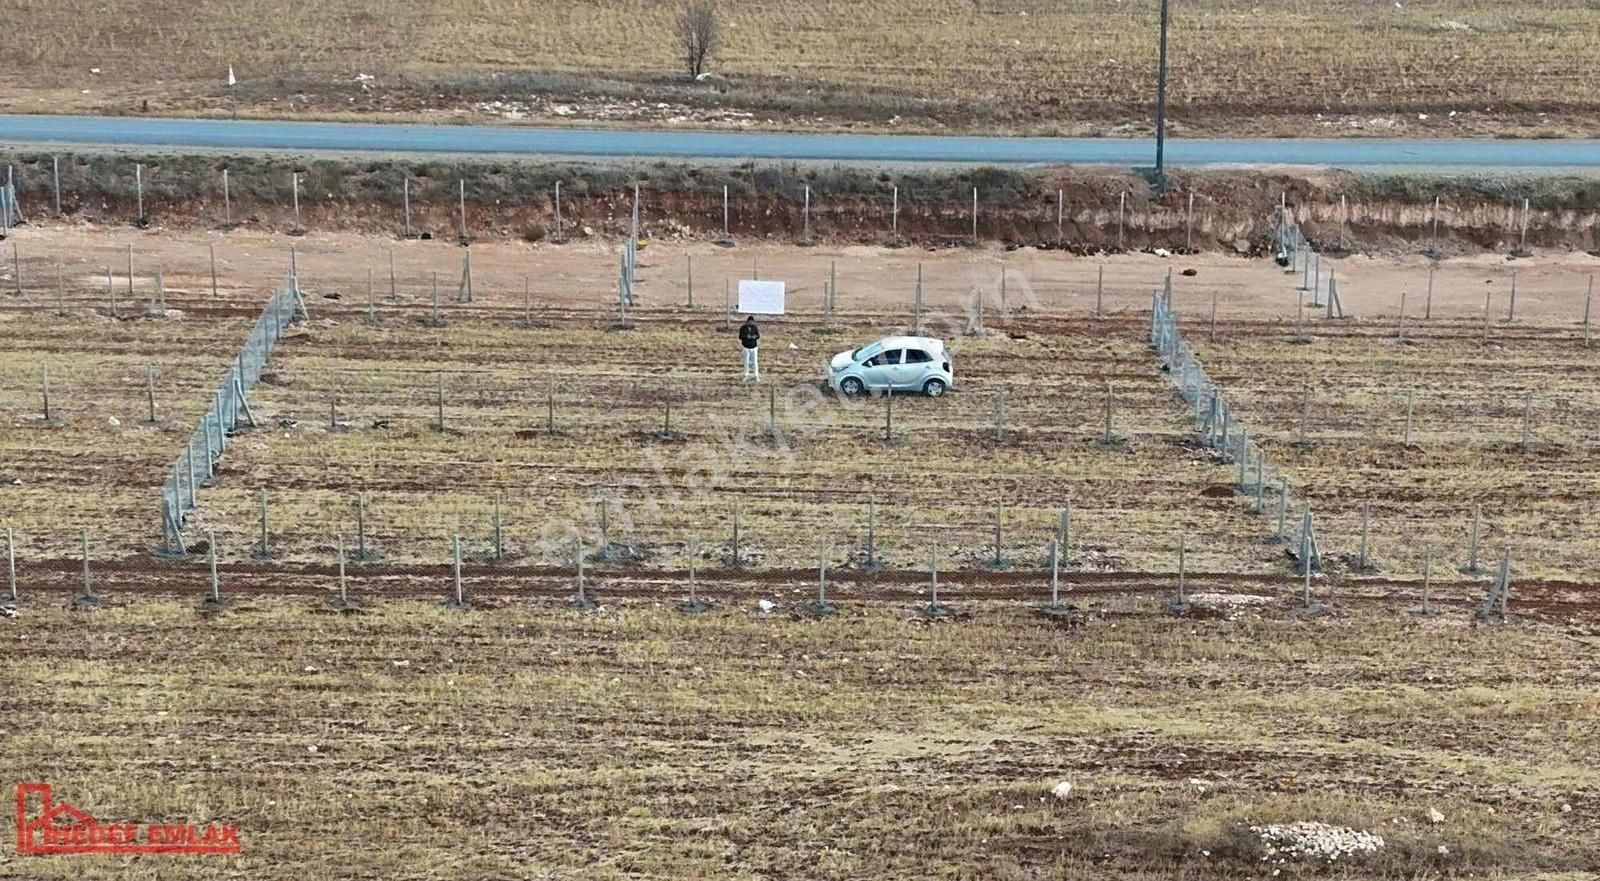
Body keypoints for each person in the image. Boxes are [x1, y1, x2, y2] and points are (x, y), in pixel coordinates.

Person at [738, 315, 761, 380]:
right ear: (747, 321)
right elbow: (740, 337)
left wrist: (754, 337)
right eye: (749, 322)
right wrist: (746, 337)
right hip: (746, 347)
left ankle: (756, 375)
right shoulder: (743, 328)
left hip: (754, 347)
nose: (750, 323)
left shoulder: (755, 327)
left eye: (752, 322)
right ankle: (746, 375)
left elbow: (758, 336)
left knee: (755, 362)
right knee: (746, 361)